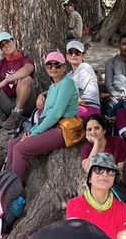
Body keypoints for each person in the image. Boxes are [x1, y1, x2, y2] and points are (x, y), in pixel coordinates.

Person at [6, 51, 79, 186]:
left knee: (19, 149)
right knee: (12, 144)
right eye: (49, 65)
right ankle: (6, 180)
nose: (53, 68)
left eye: (57, 65)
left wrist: (34, 133)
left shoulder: (67, 84)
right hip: (50, 126)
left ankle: (14, 190)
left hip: (62, 128)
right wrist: (31, 131)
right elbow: (45, 114)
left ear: (64, 67)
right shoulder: (52, 87)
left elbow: (56, 113)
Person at [67, 153, 126, 239]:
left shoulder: (121, 207)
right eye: (98, 170)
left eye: (110, 171)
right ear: (89, 178)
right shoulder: (75, 205)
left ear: (114, 180)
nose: (105, 174)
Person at [0, 32, 35, 130]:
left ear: (14, 41)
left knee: (26, 79)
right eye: (2, 45)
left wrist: (6, 80)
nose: (6, 46)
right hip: (7, 104)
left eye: (7, 42)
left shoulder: (26, 59)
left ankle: (17, 114)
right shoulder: (1, 63)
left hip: (26, 103)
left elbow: (28, 70)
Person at [66, 40, 100, 118]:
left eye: (77, 53)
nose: (73, 55)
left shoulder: (85, 67)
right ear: (67, 56)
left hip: (89, 108)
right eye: (71, 52)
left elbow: (74, 92)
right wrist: (42, 95)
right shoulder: (69, 75)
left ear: (83, 56)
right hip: (76, 107)